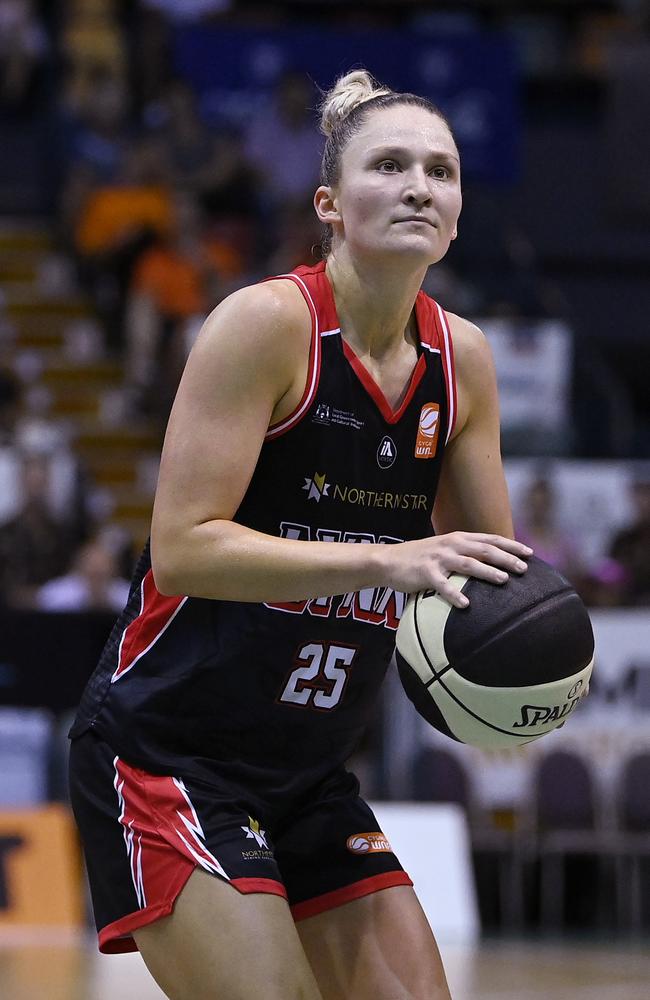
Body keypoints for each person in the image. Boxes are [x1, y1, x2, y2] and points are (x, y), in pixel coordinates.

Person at [68, 70, 532, 1000]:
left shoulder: (462, 360)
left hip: (310, 771)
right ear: (328, 204)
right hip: (172, 755)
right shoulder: (267, 325)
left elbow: (494, 581)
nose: (417, 186)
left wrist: (524, 666)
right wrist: (382, 558)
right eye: (389, 165)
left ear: (456, 212)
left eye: (439, 171)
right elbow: (186, 546)